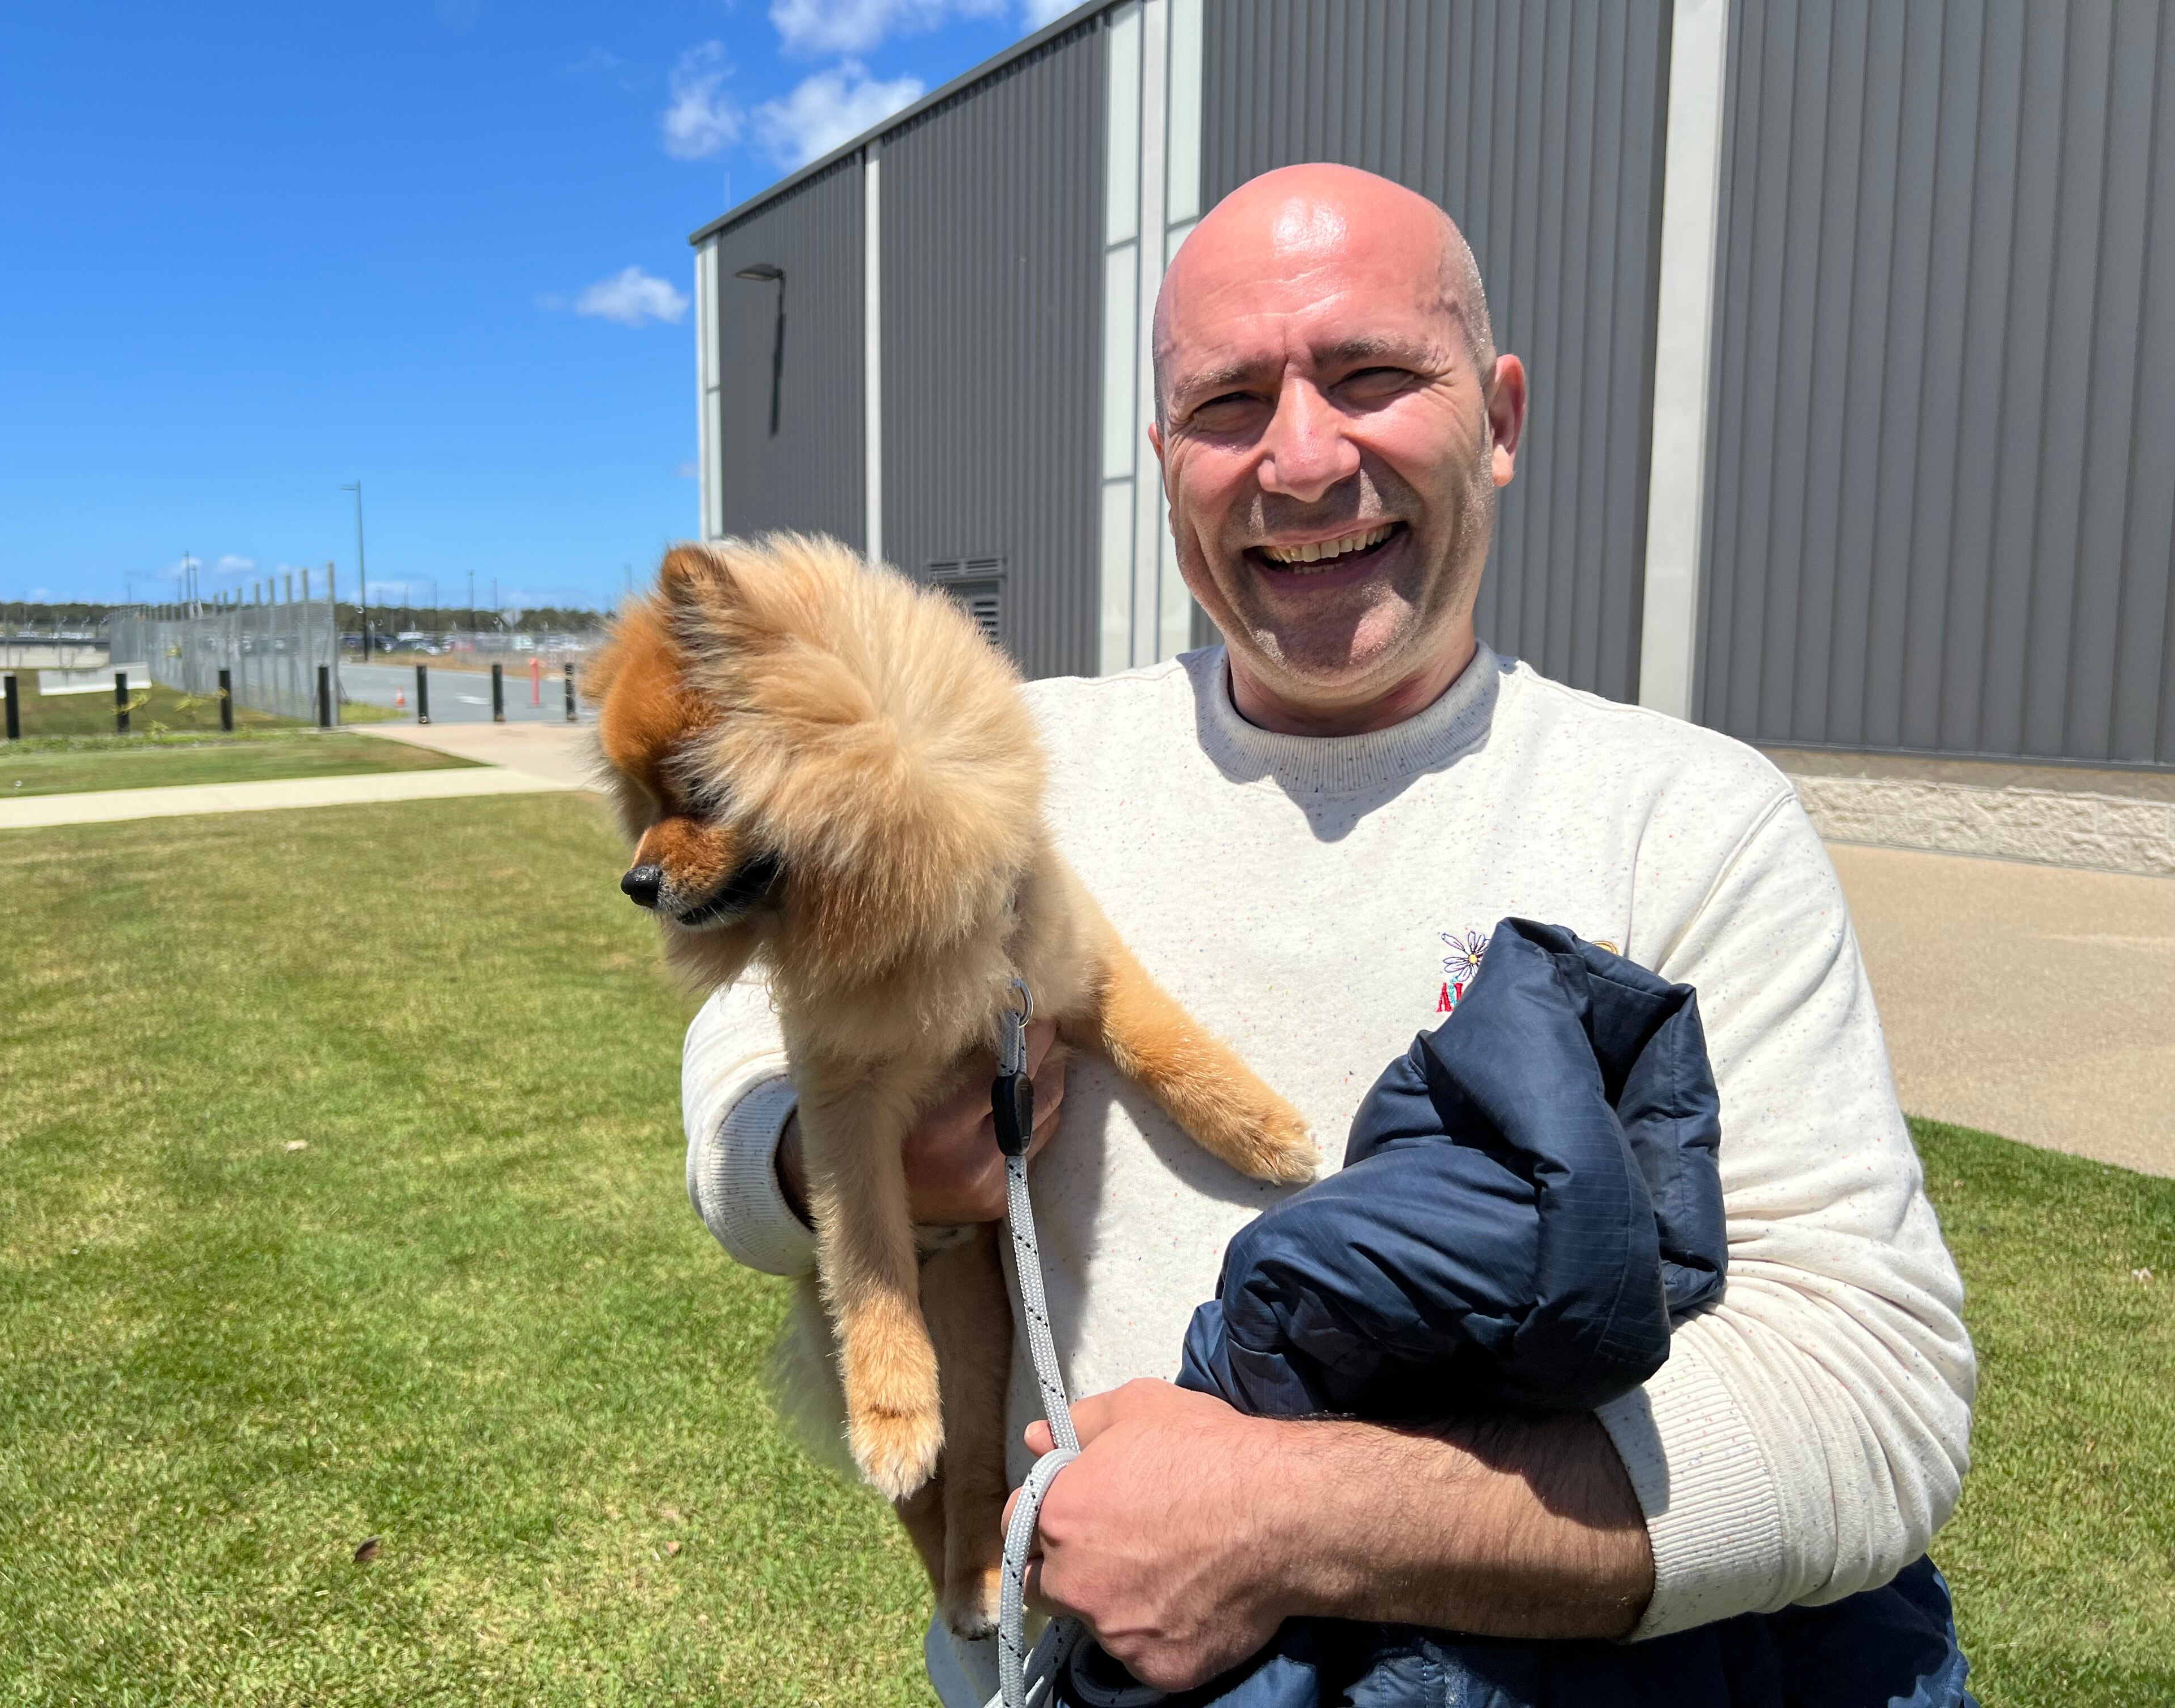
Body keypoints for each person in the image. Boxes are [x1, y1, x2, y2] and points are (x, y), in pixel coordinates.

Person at [680, 163, 1973, 1703]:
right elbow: (741, 1054)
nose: (1300, 461)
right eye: (1227, 404)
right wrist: (831, 1166)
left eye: (1371, 377)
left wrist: (1288, 1524)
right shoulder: (1011, 750)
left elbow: (1871, 1402)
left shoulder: (1686, 817)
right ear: (1164, 461)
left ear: (1501, 419)